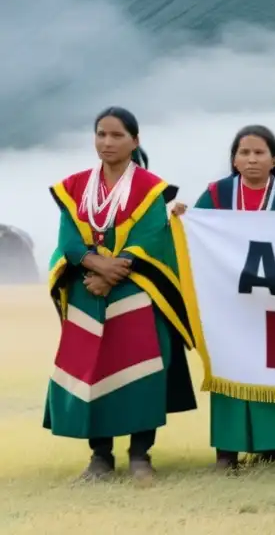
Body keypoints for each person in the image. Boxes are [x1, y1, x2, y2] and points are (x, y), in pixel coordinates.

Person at [44, 107, 196, 483]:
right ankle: (100, 457)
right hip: (87, 294)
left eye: (116, 135)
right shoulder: (75, 187)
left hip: (138, 294)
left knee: (142, 374)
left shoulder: (150, 188)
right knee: (92, 373)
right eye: (101, 134)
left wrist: (112, 274)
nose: (107, 142)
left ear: (135, 141)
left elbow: (151, 240)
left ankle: (141, 455)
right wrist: (95, 267)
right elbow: (68, 241)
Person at [172, 125, 275, 470]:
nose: (251, 159)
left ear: (274, 160)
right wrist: (183, 219)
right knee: (230, 368)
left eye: (259, 153)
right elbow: (194, 240)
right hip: (229, 304)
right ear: (234, 160)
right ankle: (227, 451)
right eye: (244, 153)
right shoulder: (216, 194)